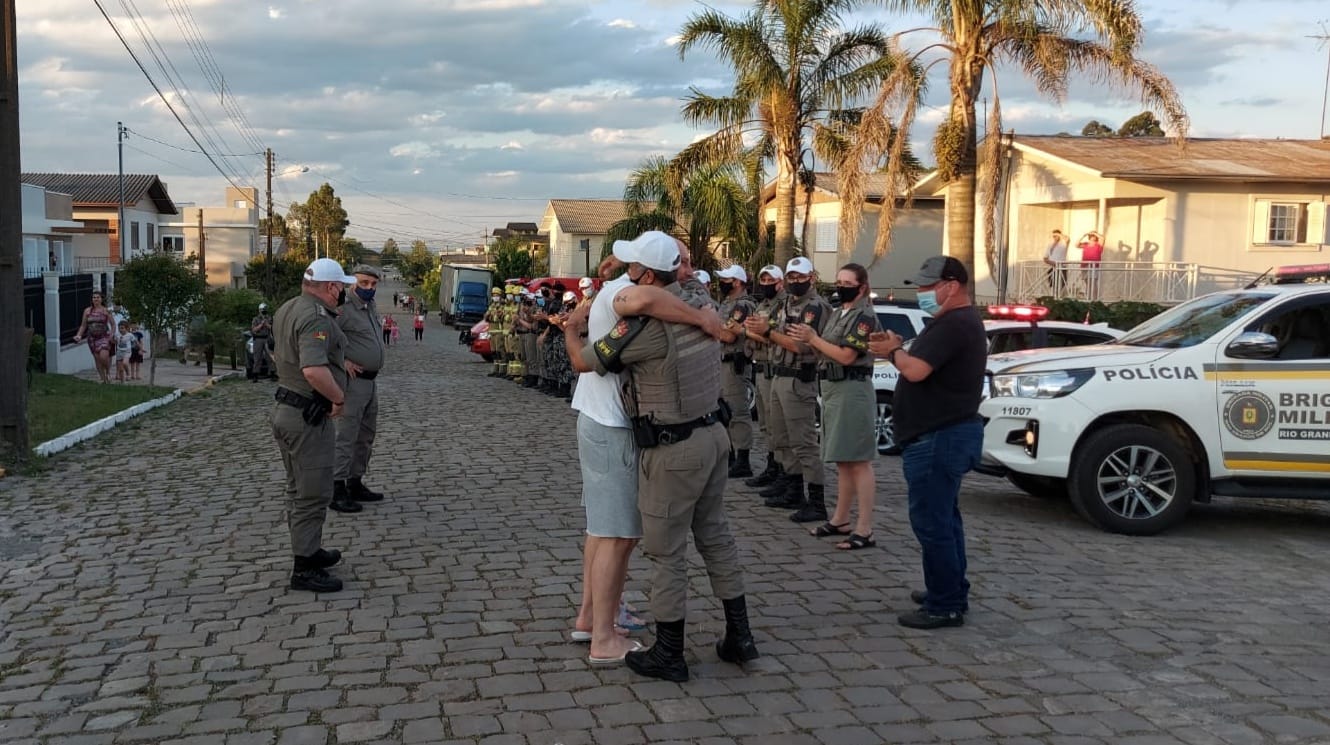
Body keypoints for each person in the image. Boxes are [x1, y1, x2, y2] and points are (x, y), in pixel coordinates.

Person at [566, 231, 757, 682]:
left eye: (635, 269)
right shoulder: (702, 301)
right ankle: (740, 635)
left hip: (675, 449)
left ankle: (669, 652)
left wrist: (572, 331)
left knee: (667, 551)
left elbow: (589, 361)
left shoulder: (644, 327)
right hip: (714, 435)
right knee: (716, 537)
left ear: (647, 278)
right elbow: (680, 286)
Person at [868, 256, 986, 629]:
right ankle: (949, 587)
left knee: (933, 523)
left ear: (950, 286)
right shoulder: (950, 323)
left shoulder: (955, 324)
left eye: (926, 287)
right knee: (945, 520)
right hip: (942, 435)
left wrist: (893, 352)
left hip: (940, 437)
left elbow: (916, 371)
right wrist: (900, 346)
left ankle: (945, 603)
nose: (921, 294)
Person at [270, 257, 358, 593]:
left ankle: (309, 549)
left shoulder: (289, 307)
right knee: (312, 492)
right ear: (331, 287)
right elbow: (313, 369)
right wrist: (338, 398)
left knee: (298, 489)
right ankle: (304, 567)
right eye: (341, 287)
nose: (343, 293)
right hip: (307, 416)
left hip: (289, 407)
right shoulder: (315, 317)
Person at [786, 263, 880, 548]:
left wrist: (813, 339)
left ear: (862, 286)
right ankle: (840, 518)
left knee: (859, 461)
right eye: (838, 280)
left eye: (847, 282)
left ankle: (864, 528)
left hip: (852, 388)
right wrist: (808, 339)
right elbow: (825, 348)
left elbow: (847, 355)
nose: (840, 286)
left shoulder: (864, 315)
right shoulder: (839, 312)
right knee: (842, 459)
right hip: (832, 388)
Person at [748, 257, 831, 522]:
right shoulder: (785, 304)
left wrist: (768, 332)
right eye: (792, 277)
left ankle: (816, 501)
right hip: (778, 374)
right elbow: (766, 331)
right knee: (781, 438)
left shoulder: (815, 307)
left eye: (800, 277)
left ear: (811, 278)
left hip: (798, 377)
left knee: (803, 442)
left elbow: (801, 346)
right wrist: (761, 331)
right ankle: (793, 488)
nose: (796, 281)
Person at [331, 265, 388, 515]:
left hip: (370, 382)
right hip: (352, 383)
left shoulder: (370, 307)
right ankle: (337, 488)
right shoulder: (342, 308)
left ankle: (355, 481)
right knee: (346, 435)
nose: (369, 288)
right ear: (353, 282)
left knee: (365, 434)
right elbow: (325, 338)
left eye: (373, 284)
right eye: (364, 283)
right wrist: (342, 361)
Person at [741, 266, 788, 489]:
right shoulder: (763, 305)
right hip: (761, 366)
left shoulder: (784, 305)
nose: (766, 283)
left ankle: (782, 471)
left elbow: (774, 335)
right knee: (766, 425)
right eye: (764, 279)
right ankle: (772, 467)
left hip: (774, 366)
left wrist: (744, 332)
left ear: (780, 282)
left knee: (777, 426)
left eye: (771, 280)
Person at [712, 265, 757, 477]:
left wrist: (709, 328)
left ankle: (743, 459)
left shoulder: (743, 305)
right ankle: (730, 454)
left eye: (726, 279)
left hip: (734, 363)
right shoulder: (727, 304)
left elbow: (730, 335)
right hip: (721, 362)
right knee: (723, 410)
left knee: (737, 411)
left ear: (737, 282)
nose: (722, 282)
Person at [73, 290, 115, 383]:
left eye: (97, 297)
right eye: (94, 297)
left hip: (104, 336)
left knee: (104, 356)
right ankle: (103, 379)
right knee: (97, 359)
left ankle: (108, 372)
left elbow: (113, 324)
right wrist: (79, 335)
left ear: (101, 299)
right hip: (92, 338)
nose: (95, 299)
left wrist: (111, 335)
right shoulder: (87, 311)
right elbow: (83, 325)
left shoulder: (106, 310)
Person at [251, 303, 275, 380]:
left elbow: (273, 328)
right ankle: (255, 374)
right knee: (257, 357)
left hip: (267, 338)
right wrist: (261, 325)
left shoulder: (270, 318)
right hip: (258, 339)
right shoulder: (256, 319)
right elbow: (254, 330)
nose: (263, 311)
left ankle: (272, 373)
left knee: (270, 357)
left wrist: (267, 324)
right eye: (262, 310)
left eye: (264, 310)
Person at [1078, 231, 1105, 299]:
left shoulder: (1099, 244)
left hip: (1094, 266)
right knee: (1088, 283)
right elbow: (1076, 244)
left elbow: (1102, 238)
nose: (1092, 236)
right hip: (1085, 265)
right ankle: (1089, 298)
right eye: (1091, 235)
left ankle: (1094, 299)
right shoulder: (1086, 244)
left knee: (1093, 282)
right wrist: (1084, 235)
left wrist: (1094, 233)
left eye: (1094, 235)